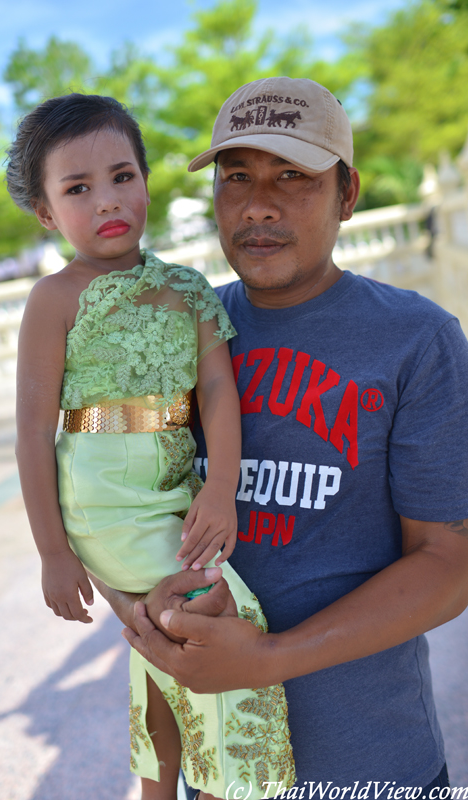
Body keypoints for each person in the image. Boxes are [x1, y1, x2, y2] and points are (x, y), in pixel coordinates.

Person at [108, 77, 468, 792]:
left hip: (368, 762)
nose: (258, 203)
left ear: (348, 193)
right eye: (236, 176)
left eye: (293, 176)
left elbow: (447, 563)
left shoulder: (416, 340)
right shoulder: (177, 337)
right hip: (220, 764)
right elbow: (111, 493)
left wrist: (269, 658)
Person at [7, 93, 294, 800]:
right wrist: (52, 551)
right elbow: (31, 429)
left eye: (122, 176)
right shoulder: (55, 298)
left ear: (144, 178)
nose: (107, 199)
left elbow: (219, 394)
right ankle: (243, 785)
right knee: (216, 613)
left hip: (173, 488)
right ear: (47, 212)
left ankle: (158, 788)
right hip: (101, 494)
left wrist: (220, 487)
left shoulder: (189, 291)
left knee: (161, 645)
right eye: (78, 188)